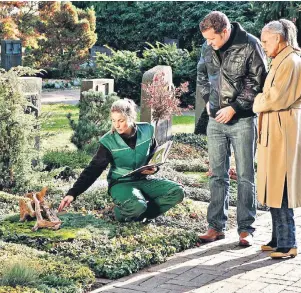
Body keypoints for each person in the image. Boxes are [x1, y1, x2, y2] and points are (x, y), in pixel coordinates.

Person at [197, 11, 267, 246]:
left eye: (212, 39)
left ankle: (246, 228)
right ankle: (215, 226)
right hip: (215, 120)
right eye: (206, 39)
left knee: (246, 175)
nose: (209, 44)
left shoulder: (250, 44)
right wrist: (208, 98)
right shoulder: (207, 47)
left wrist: (235, 108)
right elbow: (202, 76)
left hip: (243, 120)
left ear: (224, 32)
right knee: (217, 175)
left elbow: (257, 81)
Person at [58, 98, 184, 222]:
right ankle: (120, 213)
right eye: (113, 121)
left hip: (143, 180)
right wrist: (73, 193)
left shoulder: (147, 130)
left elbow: (154, 155)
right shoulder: (108, 141)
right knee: (137, 205)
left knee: (177, 192)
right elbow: (93, 169)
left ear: (131, 118)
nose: (116, 125)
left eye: (121, 120)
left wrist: (154, 168)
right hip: (120, 183)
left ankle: (143, 215)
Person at [253, 19, 301, 259]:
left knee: (280, 184)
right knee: (272, 183)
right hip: (277, 128)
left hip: (284, 130)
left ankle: (288, 242)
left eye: (265, 40)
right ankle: (278, 238)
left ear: (278, 38)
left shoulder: (290, 61)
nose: (262, 45)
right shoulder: (280, 60)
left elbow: (273, 99)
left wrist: (258, 102)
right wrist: (263, 99)